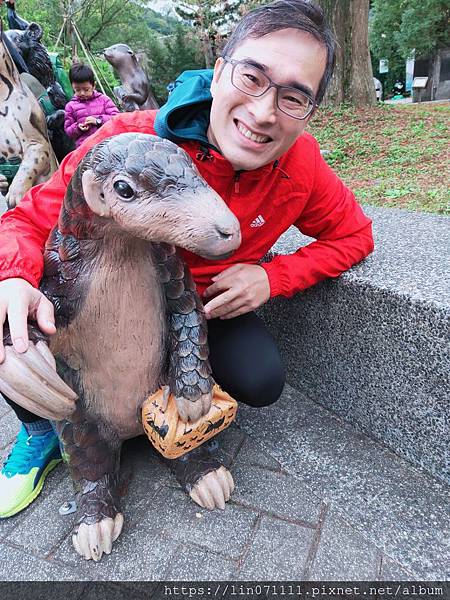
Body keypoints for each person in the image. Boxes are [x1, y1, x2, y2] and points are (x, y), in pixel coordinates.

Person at [0, 0, 374, 518]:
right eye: (252, 77)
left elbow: (353, 236)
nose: (264, 111)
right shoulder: (128, 140)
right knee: (13, 332)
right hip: (100, 307)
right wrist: (13, 281)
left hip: (204, 305)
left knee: (260, 379)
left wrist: (272, 276)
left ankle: (172, 420)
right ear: (219, 72)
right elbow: (24, 221)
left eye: (294, 98)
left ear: (310, 111)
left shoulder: (301, 165)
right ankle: (40, 430)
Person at [64, 63, 119, 147]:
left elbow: (117, 118)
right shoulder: (70, 106)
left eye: (86, 89)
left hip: (107, 144)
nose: (82, 93)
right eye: (77, 90)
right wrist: (78, 128)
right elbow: (68, 131)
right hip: (85, 147)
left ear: (94, 86)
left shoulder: (104, 100)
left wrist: (98, 120)